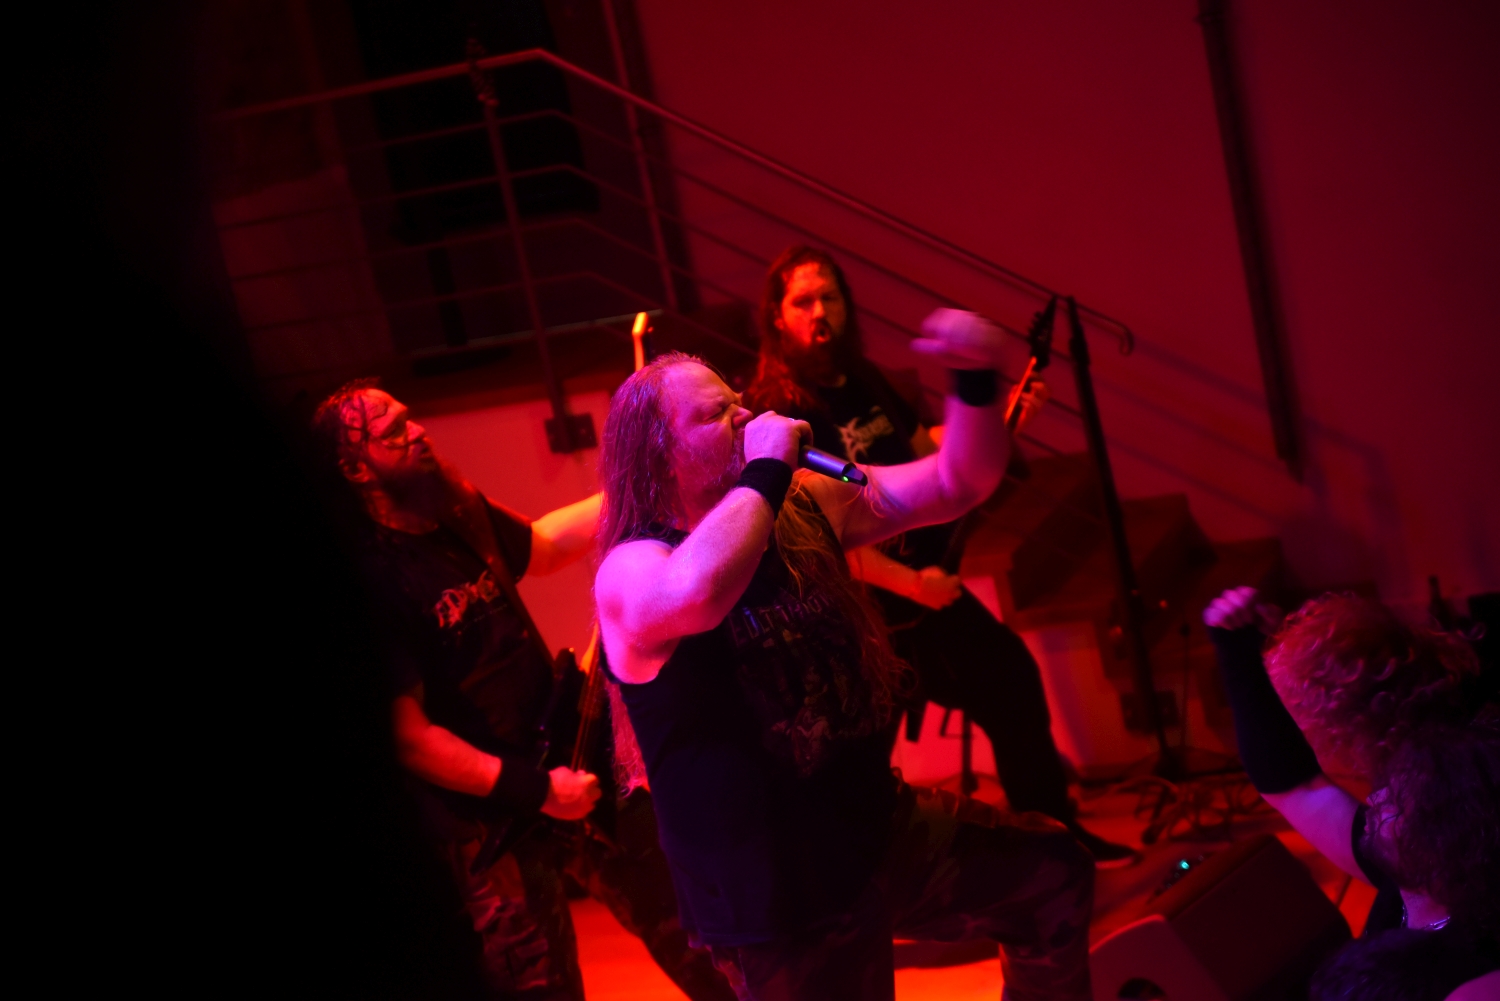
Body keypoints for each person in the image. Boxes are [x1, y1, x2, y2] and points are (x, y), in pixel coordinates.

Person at [593, 312, 1094, 1001]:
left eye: (737, 401)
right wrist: (768, 468)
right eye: (716, 415)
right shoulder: (631, 570)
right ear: (660, 454)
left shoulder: (801, 505)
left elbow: (956, 483)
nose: (746, 417)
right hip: (778, 899)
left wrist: (975, 380)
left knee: (1050, 874)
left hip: (876, 829)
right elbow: (697, 592)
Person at [310, 381, 733, 1001]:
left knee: (700, 938)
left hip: (572, 766)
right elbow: (410, 737)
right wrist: (537, 792)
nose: (418, 431)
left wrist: (644, 476)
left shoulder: (451, 515)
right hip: (492, 823)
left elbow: (542, 545)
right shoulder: (371, 580)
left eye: (410, 417)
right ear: (355, 469)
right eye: (393, 431)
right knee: (540, 988)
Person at [741, 244, 1135, 867]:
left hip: (927, 598)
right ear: (778, 316)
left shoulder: (866, 380)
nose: (820, 312)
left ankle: (1056, 846)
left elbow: (928, 451)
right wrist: (910, 583)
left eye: (830, 297)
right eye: (804, 301)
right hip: (863, 615)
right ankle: (861, 880)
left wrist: (998, 420)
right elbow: (810, 531)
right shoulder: (780, 408)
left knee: (1011, 682)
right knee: (856, 757)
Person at [1204, 587, 1498, 999]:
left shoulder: (1477, 976)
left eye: (1396, 802)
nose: (1373, 800)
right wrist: (1239, 654)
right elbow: (1295, 786)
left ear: (1446, 834)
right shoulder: (1410, 881)